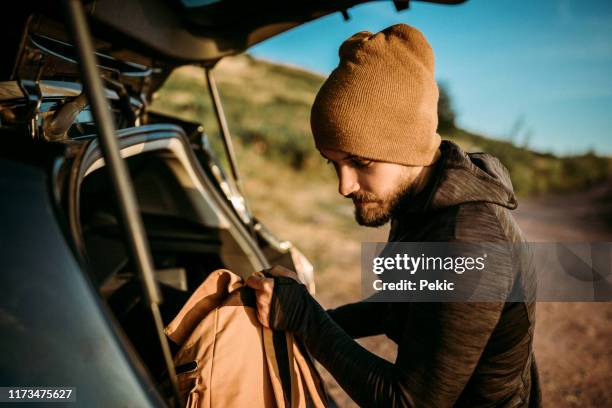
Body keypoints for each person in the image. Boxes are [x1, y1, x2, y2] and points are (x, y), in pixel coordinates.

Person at [246, 23, 541, 407]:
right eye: (332, 163)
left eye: (360, 161)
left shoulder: (469, 241)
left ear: (409, 146)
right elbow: (397, 304)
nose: (344, 185)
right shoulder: (419, 200)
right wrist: (306, 311)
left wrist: (305, 318)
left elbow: (408, 402)